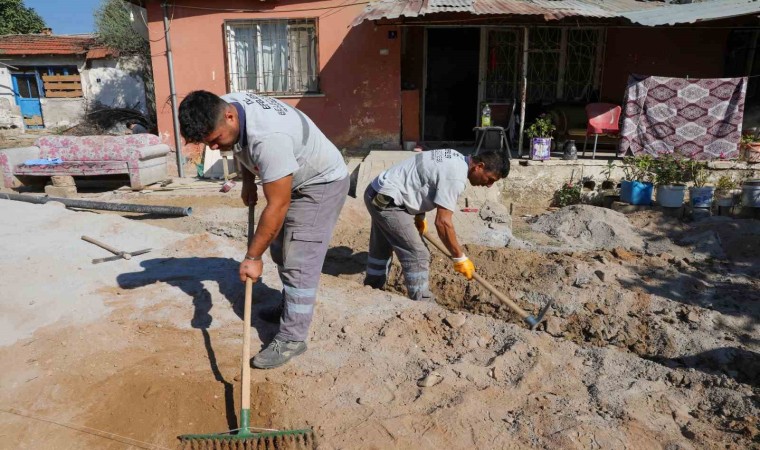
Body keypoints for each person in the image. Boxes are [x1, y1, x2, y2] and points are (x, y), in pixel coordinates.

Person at [179, 90, 349, 369]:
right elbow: (239, 144)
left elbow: (278, 205)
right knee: (281, 250)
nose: (213, 148)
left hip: (320, 183)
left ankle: (293, 337)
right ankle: (289, 305)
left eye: (214, 140)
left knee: (299, 259)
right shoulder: (224, 106)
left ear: (230, 116)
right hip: (290, 174)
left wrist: (252, 257)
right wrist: (248, 180)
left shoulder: (270, 139)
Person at [363, 149, 509, 300]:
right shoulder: (455, 177)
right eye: (490, 179)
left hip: (377, 192)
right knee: (418, 254)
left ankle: (372, 291)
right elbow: (443, 223)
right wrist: (460, 257)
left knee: (382, 247)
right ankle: (422, 305)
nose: (489, 185)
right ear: (479, 166)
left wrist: (419, 215)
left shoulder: (454, 156)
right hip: (389, 203)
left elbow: (421, 179)